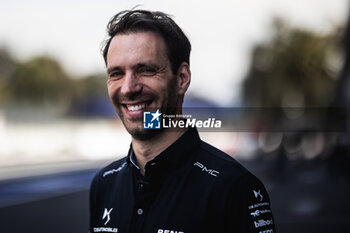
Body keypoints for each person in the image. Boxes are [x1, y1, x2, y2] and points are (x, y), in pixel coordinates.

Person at [89, 9, 276, 233]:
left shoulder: (234, 187)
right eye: (116, 73)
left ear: (182, 79)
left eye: (146, 70)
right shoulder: (103, 185)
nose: (128, 88)